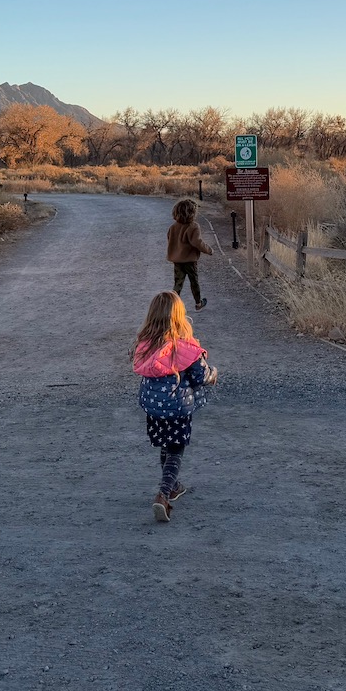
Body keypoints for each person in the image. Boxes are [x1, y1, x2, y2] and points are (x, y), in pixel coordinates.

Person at [133, 291, 218, 523]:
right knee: (176, 449)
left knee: (165, 445)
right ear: (180, 317)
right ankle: (163, 495)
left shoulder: (145, 346)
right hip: (178, 407)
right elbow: (200, 376)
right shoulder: (185, 348)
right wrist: (213, 375)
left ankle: (173, 486)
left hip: (154, 408)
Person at [166, 198, 213, 310]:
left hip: (177, 260)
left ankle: (172, 306)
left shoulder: (173, 227)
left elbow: (170, 239)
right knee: (194, 282)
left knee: (178, 283)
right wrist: (209, 250)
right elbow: (197, 242)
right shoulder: (193, 226)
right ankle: (198, 303)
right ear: (192, 213)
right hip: (190, 260)